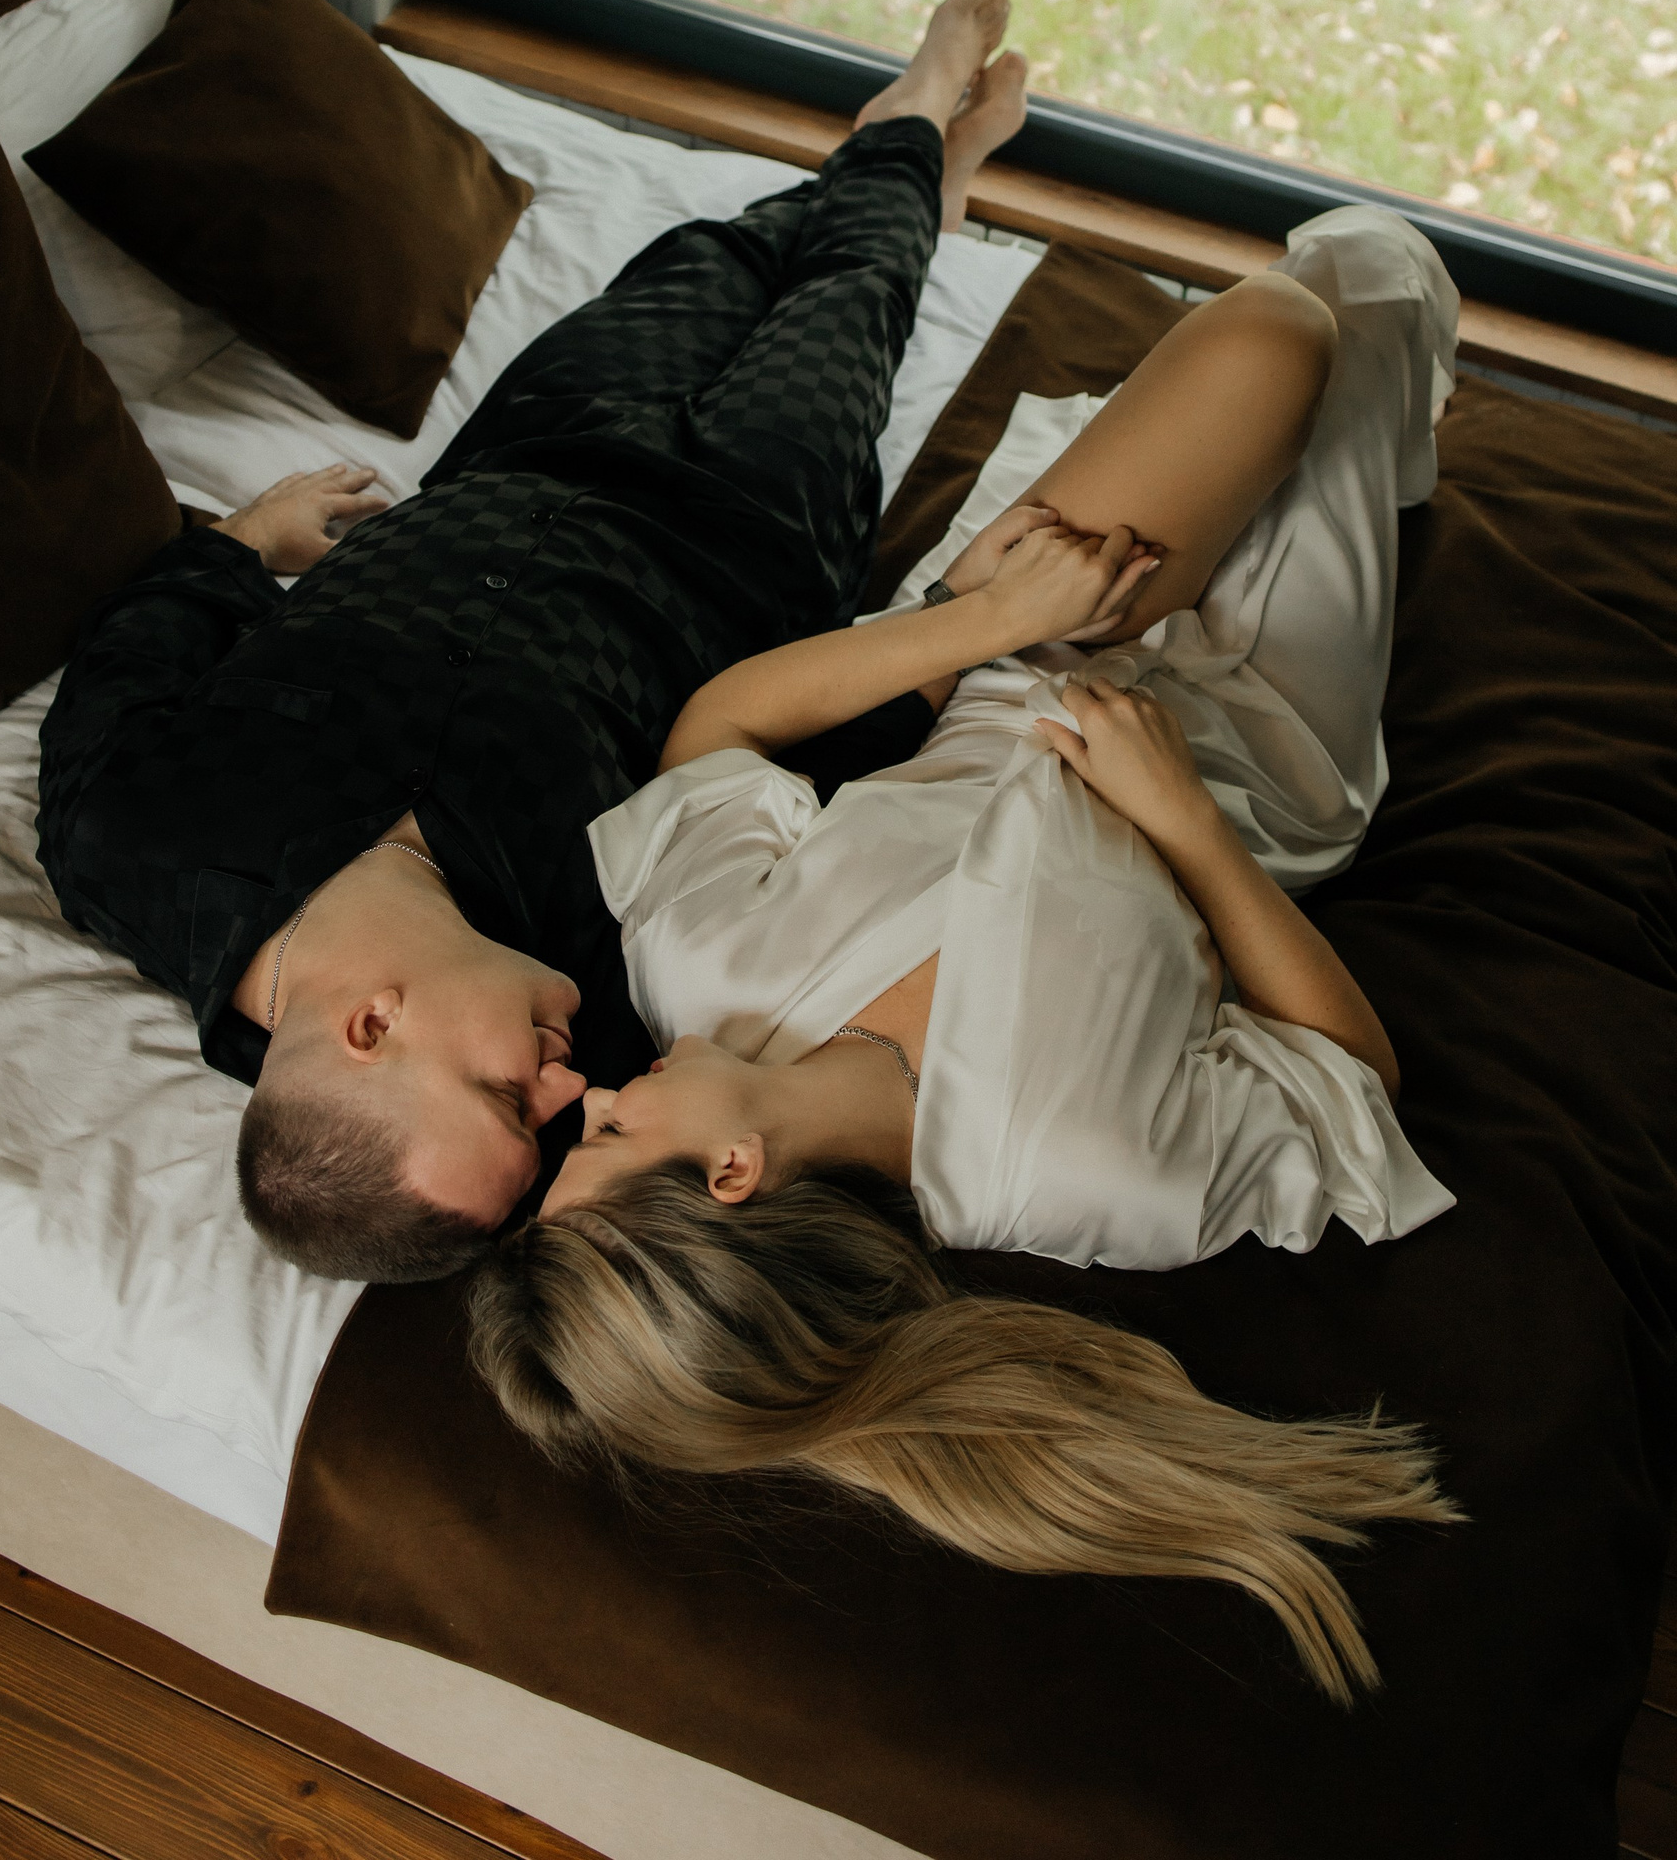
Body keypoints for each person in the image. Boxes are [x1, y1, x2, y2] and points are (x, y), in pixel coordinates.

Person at [468, 201, 1465, 1701]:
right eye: (608, 1137)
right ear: (732, 1175)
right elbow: (1351, 1077)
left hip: (1028, 642)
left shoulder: (698, 972)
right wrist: (1188, 826)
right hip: (1252, 747)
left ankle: (1376, 395)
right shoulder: (1081, 1170)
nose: (594, 1092)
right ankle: (1392, 413)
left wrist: (980, 615)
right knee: (1366, 299)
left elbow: (720, 729)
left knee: (1292, 317)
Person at [36, 0, 1034, 1283]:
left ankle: (913, 177)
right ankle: (913, 136)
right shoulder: (608, 1001)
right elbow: (782, 819)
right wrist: (954, 634)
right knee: (852, 293)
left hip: (525, 451)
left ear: (370, 1026)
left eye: (513, 1099)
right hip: (748, 532)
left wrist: (243, 542)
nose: (570, 1094)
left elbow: (132, 655)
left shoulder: (128, 842)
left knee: (708, 260)